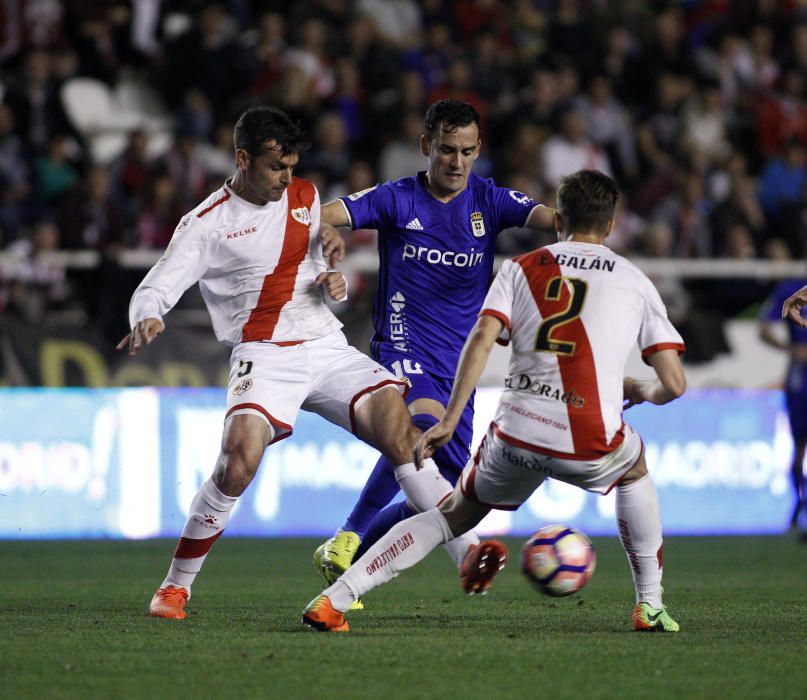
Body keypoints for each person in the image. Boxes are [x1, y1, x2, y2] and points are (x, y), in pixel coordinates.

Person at [302, 169, 687, 633]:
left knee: (449, 518)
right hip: (590, 437)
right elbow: (674, 384)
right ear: (610, 226)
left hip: (515, 432)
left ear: (559, 219)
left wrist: (449, 416)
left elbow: (483, 336)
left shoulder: (521, 268)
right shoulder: (634, 279)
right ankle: (649, 604)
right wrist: (639, 390)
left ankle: (333, 600)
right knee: (635, 470)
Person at [119, 106, 462, 619]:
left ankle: (470, 555)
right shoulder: (206, 224)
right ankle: (174, 586)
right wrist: (148, 316)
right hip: (263, 354)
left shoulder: (305, 196)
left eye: (292, 167)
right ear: (242, 159)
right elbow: (157, 285)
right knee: (237, 464)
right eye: (276, 167)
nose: (287, 179)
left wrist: (331, 279)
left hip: (324, 344)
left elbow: (316, 270)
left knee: (402, 431)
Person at [312, 99, 556, 600]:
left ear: (478, 150)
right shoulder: (397, 198)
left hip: (459, 362)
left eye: (467, 151)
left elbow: (549, 218)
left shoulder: (490, 201)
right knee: (420, 429)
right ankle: (453, 552)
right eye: (447, 150)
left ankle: (348, 553)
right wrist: (326, 233)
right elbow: (322, 215)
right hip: (402, 343)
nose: (457, 162)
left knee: (439, 491)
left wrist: (582, 226)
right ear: (426, 147)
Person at [761, 280, 807, 528]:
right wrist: (791, 348)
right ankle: (799, 501)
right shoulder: (790, 288)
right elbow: (764, 328)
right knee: (799, 443)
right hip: (801, 377)